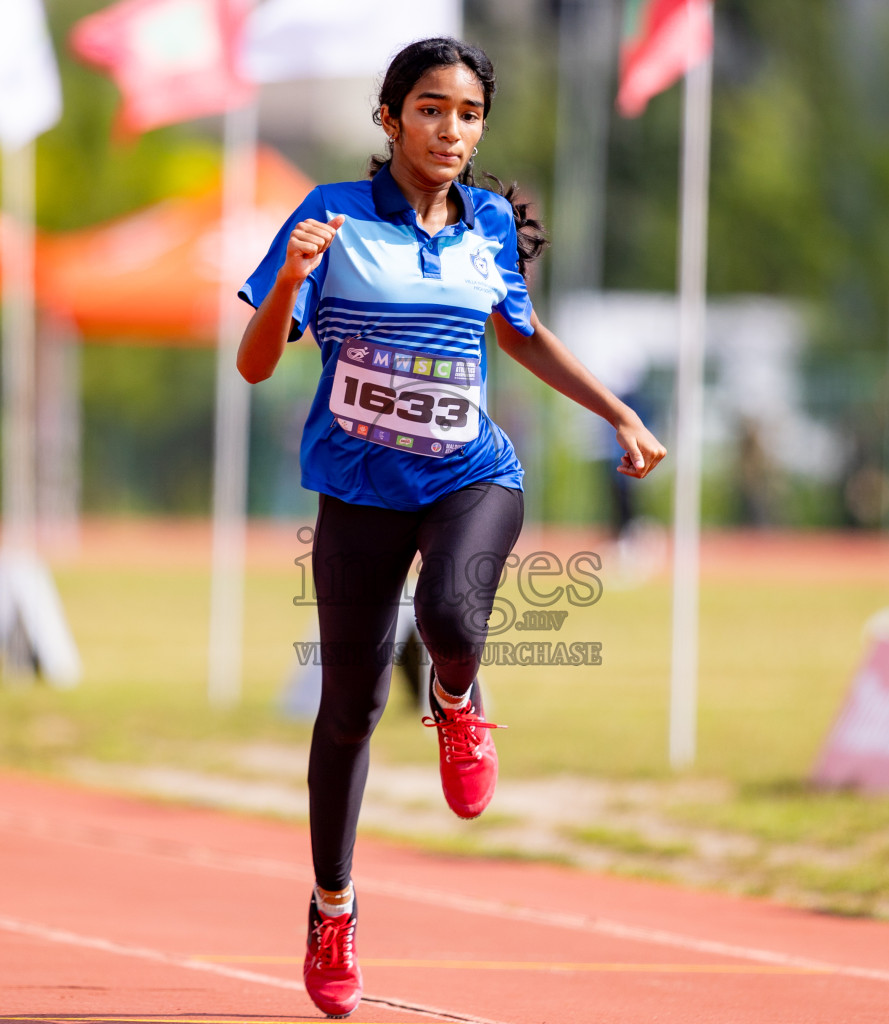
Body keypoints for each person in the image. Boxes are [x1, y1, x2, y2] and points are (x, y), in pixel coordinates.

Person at [236, 37, 667, 1018]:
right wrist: (294, 287)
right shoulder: (328, 218)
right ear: (390, 120)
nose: (451, 130)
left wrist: (620, 414)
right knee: (347, 708)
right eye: (431, 109)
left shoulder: (488, 227)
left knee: (452, 618)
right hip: (357, 490)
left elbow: (519, 333)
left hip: (472, 471)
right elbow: (257, 364)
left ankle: (460, 697)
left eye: (468, 114)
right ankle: (332, 905)